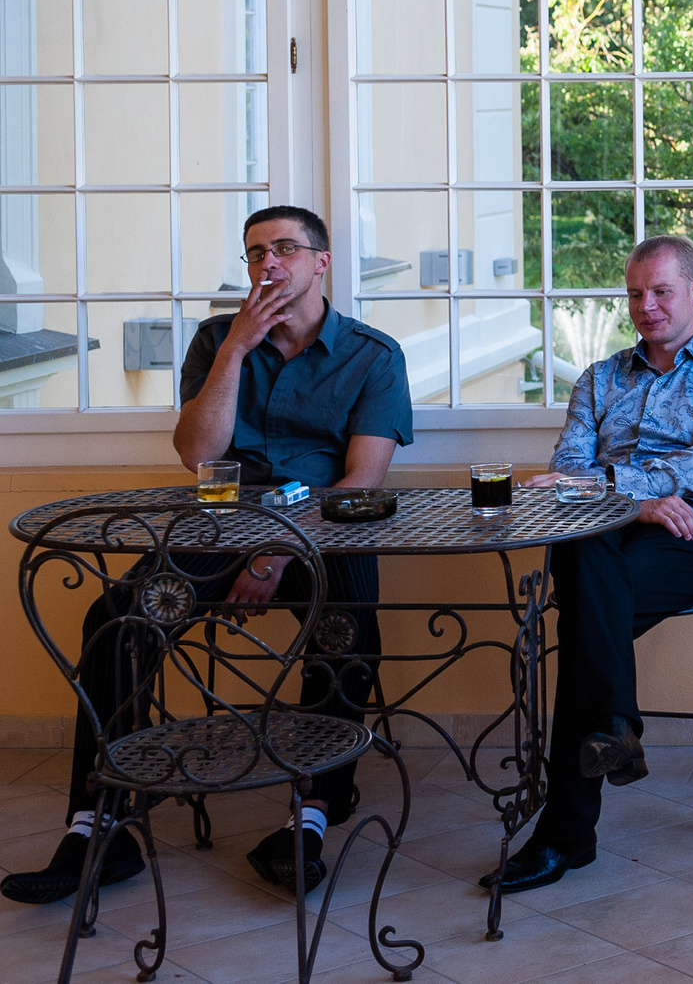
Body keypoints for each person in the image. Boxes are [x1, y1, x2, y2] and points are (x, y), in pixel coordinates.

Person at [1, 206, 412, 906]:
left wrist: (273, 555)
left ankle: (311, 816)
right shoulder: (217, 340)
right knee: (117, 619)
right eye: (256, 252)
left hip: (321, 528)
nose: (268, 263)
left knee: (348, 630)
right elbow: (198, 454)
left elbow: (361, 484)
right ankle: (101, 824)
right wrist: (236, 350)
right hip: (218, 525)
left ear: (322, 261)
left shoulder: (374, 355)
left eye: (285, 248)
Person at [481, 234, 693, 894]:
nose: (646, 306)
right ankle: (612, 731)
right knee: (585, 552)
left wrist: (615, 488)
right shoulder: (600, 377)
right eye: (636, 294)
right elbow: (567, 470)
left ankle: (566, 833)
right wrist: (637, 503)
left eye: (661, 291)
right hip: (602, 531)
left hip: (689, 534)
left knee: (586, 620)